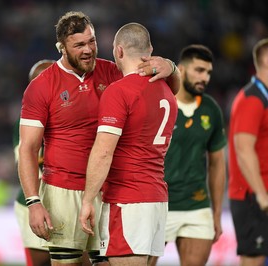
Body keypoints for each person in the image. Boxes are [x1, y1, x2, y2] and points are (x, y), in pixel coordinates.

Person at [18, 11, 180, 266]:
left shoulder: (113, 73)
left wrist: (171, 66)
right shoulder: (42, 86)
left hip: (109, 191)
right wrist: (33, 201)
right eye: (79, 45)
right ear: (61, 47)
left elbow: (163, 87)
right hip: (63, 191)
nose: (88, 50)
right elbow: (28, 148)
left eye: (91, 41)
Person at [79, 22, 178, 266]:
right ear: (150, 49)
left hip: (129, 199)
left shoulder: (119, 91)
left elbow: (103, 152)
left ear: (119, 51)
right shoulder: (168, 93)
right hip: (156, 197)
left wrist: (87, 200)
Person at [150, 44, 227, 266]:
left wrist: (217, 212)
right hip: (157, 204)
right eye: (199, 70)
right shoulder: (159, 102)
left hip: (196, 205)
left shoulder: (211, 109)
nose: (205, 77)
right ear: (181, 70)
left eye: (209, 72)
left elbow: (217, 164)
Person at [228, 38, 268, 266]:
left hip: (260, 193)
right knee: (253, 259)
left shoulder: (262, 98)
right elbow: (243, 150)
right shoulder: (252, 99)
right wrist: (261, 194)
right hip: (252, 196)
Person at [13, 59, 54, 266]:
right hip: (35, 199)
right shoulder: (26, 119)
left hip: (67, 197)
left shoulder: (71, 109)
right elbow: (27, 160)